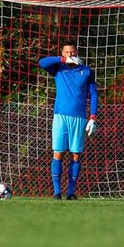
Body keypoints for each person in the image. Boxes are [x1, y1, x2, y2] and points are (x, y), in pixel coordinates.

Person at [39, 42, 98, 200]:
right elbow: (42, 62)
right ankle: (57, 192)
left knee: (75, 155)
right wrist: (63, 61)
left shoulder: (86, 71)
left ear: (77, 52)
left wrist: (93, 117)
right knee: (58, 153)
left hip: (79, 118)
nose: (70, 54)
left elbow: (93, 94)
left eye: (72, 52)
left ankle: (70, 193)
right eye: (66, 52)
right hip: (60, 117)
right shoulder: (59, 68)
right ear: (63, 53)